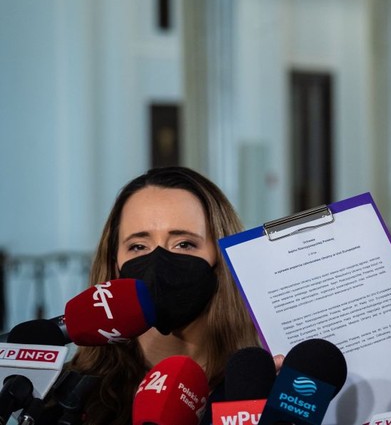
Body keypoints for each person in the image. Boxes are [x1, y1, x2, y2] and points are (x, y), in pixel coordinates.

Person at [66, 166, 261, 425]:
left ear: (221, 258)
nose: (158, 262)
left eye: (184, 244)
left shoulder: (256, 388)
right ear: (115, 264)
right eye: (138, 246)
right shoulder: (71, 394)